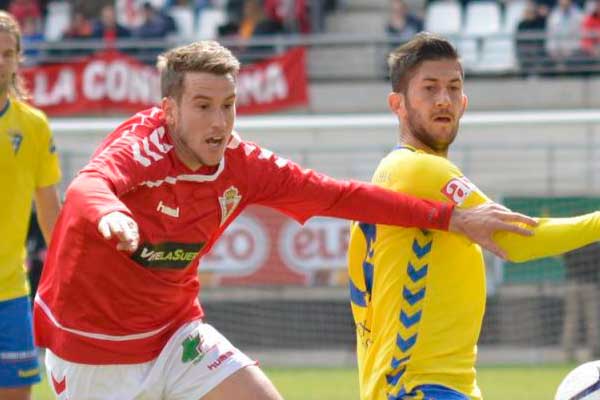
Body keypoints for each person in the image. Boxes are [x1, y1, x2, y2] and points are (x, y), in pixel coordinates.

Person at [33, 40, 535, 400]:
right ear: (169, 109)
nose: (219, 122)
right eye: (203, 106)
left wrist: (450, 219)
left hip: (173, 333)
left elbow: (336, 196)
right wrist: (113, 214)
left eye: (228, 106)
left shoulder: (243, 164)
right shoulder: (142, 150)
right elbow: (87, 187)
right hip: (93, 351)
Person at [347, 32, 600, 400]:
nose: (443, 100)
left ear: (464, 102)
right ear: (397, 104)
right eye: (429, 89)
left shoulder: (394, 174)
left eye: (452, 88)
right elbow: (516, 239)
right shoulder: (418, 171)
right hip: (419, 387)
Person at [0, 11, 61, 400]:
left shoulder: (34, 126)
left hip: (10, 292)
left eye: (7, 53)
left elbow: (51, 212)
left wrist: (68, 278)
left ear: (18, 59)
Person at [562, 243, 600, 360]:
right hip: (590, 284)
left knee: (571, 320)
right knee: (593, 320)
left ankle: (568, 352)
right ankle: (595, 352)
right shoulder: (595, 246)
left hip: (572, 284)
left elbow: (563, 258)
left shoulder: (572, 244)